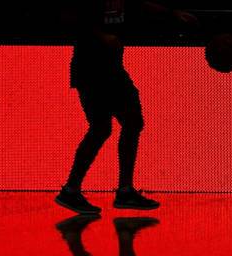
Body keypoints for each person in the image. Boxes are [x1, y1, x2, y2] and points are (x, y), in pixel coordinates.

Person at [55, 0, 197, 214]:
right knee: (105, 128)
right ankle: (78, 189)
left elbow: (140, 5)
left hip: (111, 69)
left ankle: (119, 190)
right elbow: (68, 16)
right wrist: (101, 36)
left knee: (126, 123)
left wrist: (172, 13)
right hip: (91, 69)